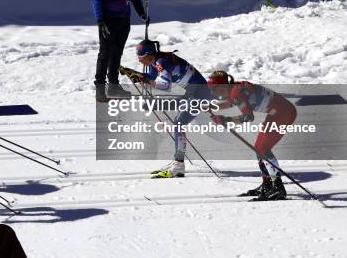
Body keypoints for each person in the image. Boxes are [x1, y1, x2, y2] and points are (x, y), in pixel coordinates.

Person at [121, 40, 211, 178]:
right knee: (177, 123)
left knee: (179, 124)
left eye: (140, 58)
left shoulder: (161, 62)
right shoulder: (157, 60)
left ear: (149, 55)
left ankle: (179, 166)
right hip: (193, 93)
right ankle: (177, 162)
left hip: (200, 94)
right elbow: (151, 77)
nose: (140, 62)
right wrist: (132, 72)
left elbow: (164, 86)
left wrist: (144, 80)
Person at [207, 70, 295, 201]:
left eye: (213, 88)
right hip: (278, 113)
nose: (212, 92)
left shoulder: (236, 92)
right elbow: (231, 103)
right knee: (259, 148)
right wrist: (211, 107)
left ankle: (278, 187)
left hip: (283, 113)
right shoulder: (234, 90)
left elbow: (248, 117)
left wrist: (225, 120)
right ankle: (268, 184)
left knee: (263, 149)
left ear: (222, 86)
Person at [91, 0, 147, 102]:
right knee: (105, 54)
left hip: (124, 19)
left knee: (117, 53)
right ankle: (100, 89)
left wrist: (141, 13)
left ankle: (114, 86)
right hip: (108, 20)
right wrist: (100, 19)